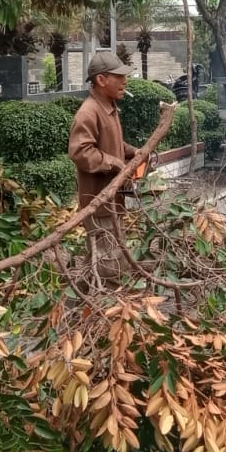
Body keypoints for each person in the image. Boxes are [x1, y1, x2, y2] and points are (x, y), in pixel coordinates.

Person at [68, 50, 140, 283]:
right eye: (118, 77)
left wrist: (134, 152)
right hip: (99, 204)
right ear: (101, 80)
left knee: (100, 259)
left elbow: (113, 143)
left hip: (112, 201)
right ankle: (107, 311)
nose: (125, 81)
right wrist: (116, 164)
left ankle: (79, 307)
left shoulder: (108, 108)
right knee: (110, 266)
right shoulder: (89, 112)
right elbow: (80, 151)